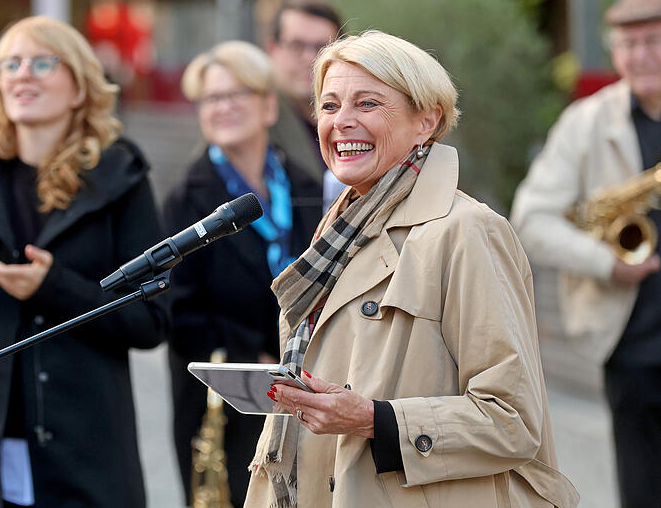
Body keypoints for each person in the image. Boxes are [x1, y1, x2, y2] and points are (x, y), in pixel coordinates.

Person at [244, 30, 579, 508]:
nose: (342, 121)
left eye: (368, 104)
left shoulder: (467, 230)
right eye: (330, 105)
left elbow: (514, 420)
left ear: (427, 121)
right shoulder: (337, 229)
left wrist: (372, 419)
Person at [0, 15, 169, 508]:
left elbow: (150, 321)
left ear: (79, 87)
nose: (23, 73)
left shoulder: (120, 174)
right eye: (10, 64)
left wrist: (53, 286)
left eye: (42, 63)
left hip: (85, 450)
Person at [510, 0, 661, 508]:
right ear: (613, 51)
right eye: (628, 44)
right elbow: (530, 218)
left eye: (653, 41)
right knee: (643, 486)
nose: (641, 55)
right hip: (633, 337)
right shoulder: (586, 122)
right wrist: (606, 263)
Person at [164, 41, 322, 507]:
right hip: (223, 405)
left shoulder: (307, 187)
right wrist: (255, 356)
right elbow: (178, 313)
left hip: (307, 392)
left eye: (237, 94)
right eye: (212, 98)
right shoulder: (186, 200)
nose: (223, 106)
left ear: (269, 105)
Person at [265, 0, 342, 186]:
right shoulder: (254, 124)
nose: (310, 58)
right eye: (297, 45)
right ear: (272, 49)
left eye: (323, 47)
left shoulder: (358, 118)